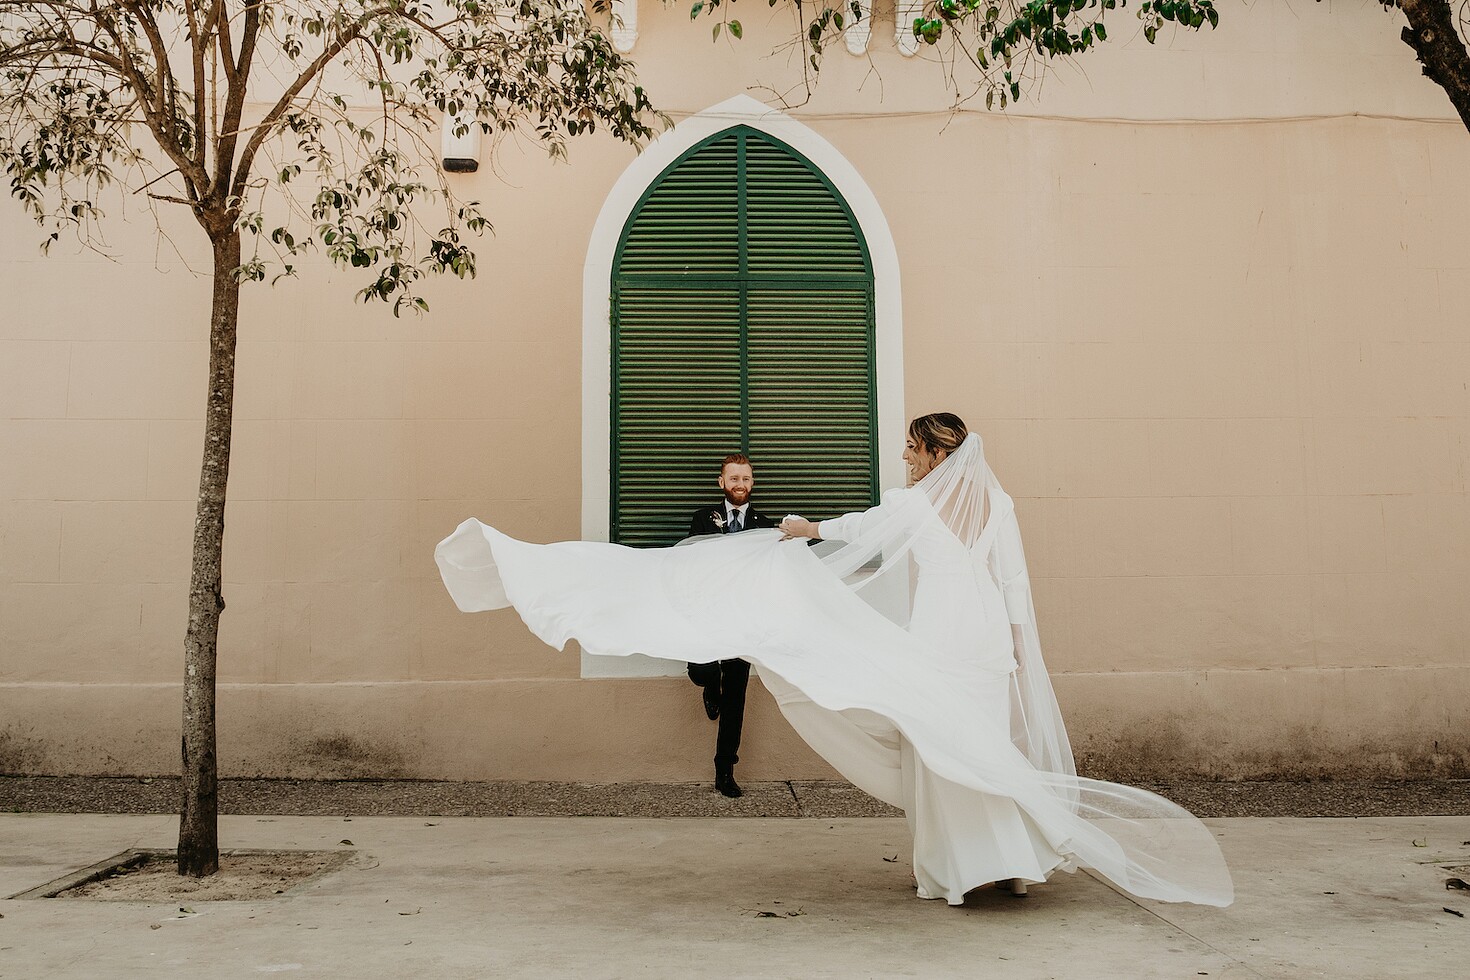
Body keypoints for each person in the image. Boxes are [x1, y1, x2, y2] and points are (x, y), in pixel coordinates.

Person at [435, 414, 1233, 908]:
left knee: (942, 748)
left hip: (949, 631)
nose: (909, 461)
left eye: (912, 451)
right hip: (988, 633)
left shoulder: (922, 504)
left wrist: (803, 529)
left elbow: (862, 530)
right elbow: (1014, 579)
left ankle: (963, 873)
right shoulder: (1002, 502)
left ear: (930, 453)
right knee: (981, 740)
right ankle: (1013, 867)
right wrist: (1021, 644)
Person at [684, 453, 776, 798]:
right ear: (722, 482)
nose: (740, 485)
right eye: (734, 479)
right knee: (701, 670)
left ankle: (725, 769)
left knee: (736, 697)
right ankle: (710, 686)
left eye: (746, 479)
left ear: (753, 484)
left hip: (744, 620)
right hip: (707, 616)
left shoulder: (764, 526)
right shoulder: (702, 520)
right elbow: (689, 563)